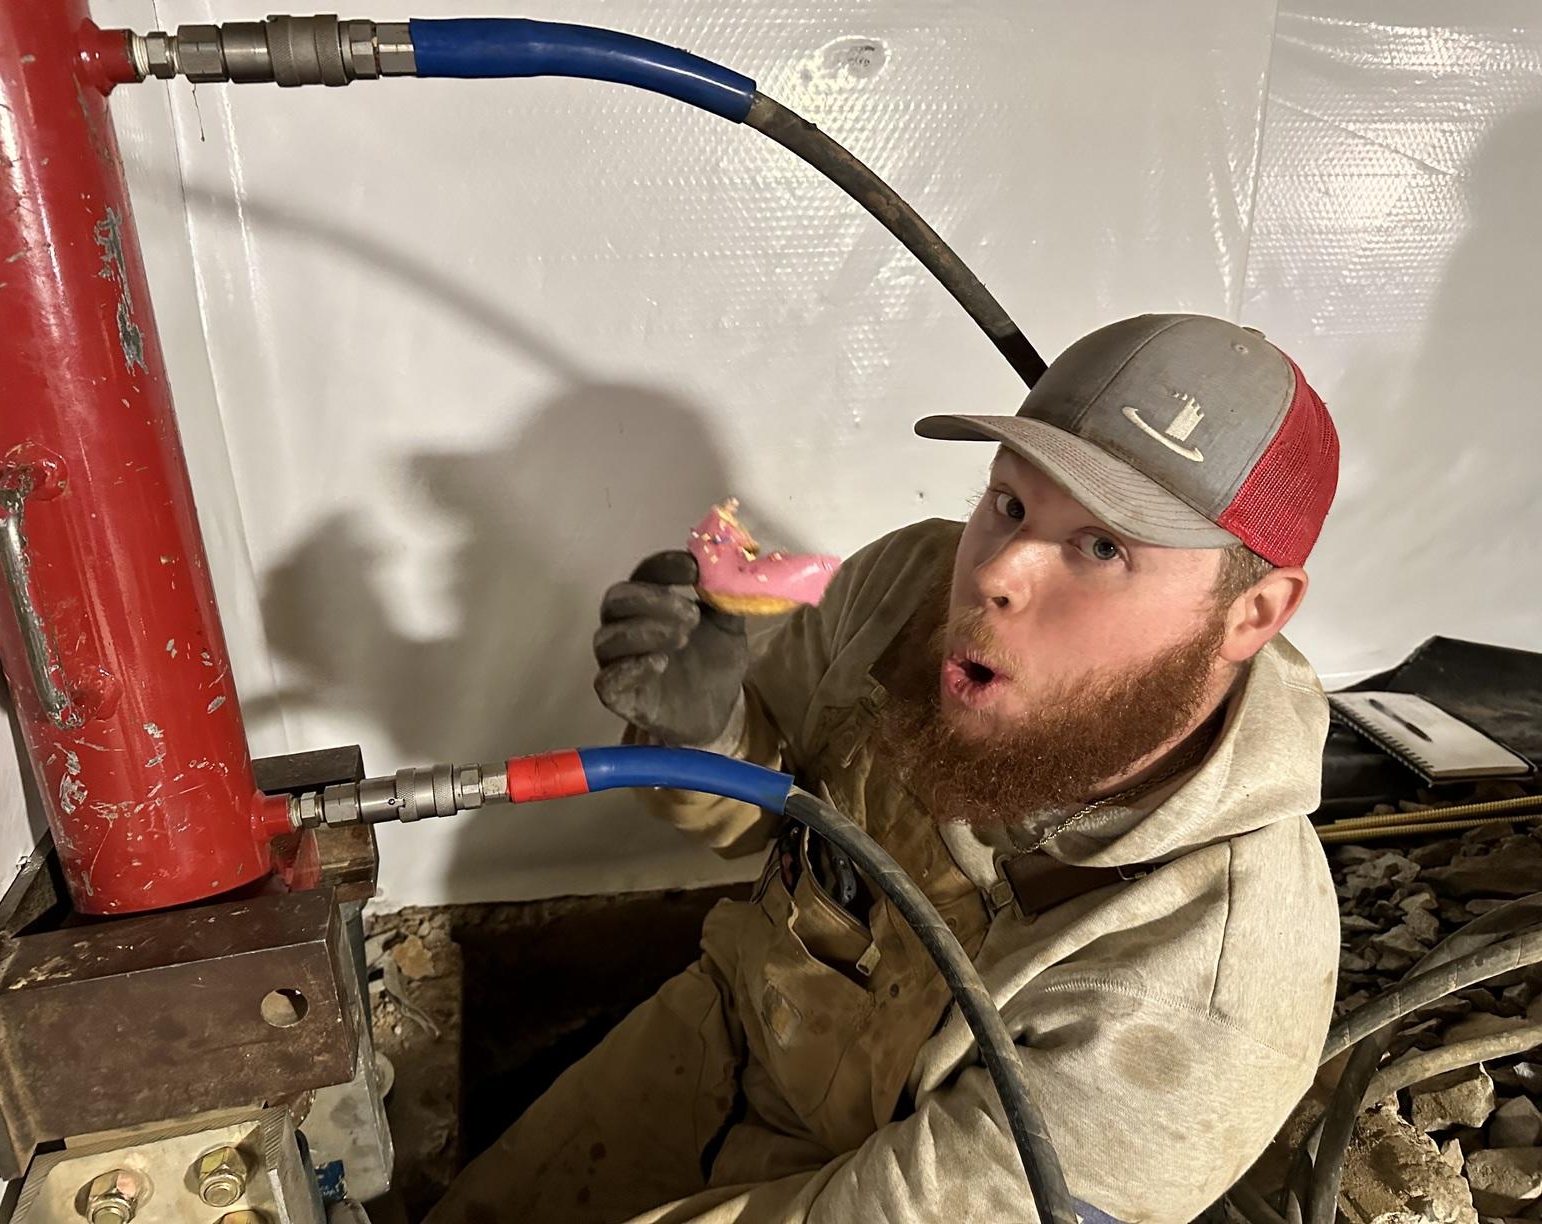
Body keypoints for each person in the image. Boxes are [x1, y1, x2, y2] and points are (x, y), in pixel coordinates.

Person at [430, 313, 1342, 1224]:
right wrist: (707, 737)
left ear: (1253, 613)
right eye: (1011, 503)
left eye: (1102, 547)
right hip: (721, 1026)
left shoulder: (1207, 991)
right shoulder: (906, 590)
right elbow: (774, 811)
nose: (996, 573)